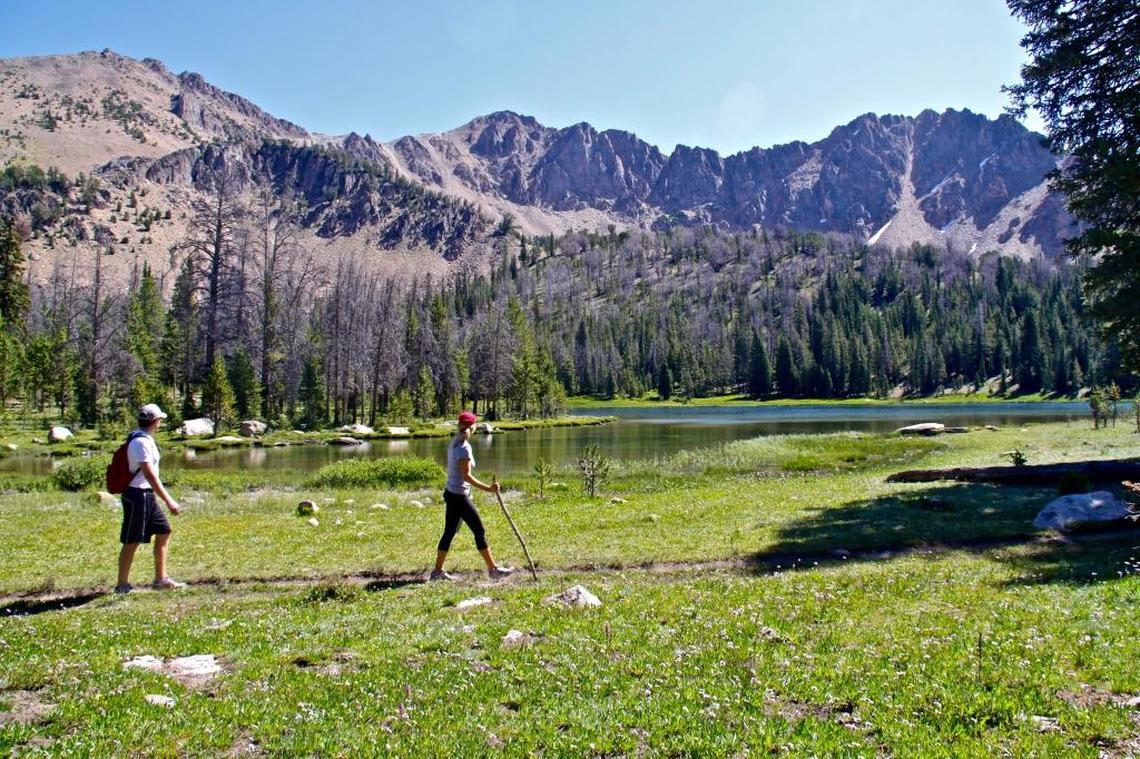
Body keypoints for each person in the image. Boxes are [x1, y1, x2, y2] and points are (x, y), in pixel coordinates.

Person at [431, 411, 515, 581]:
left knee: (449, 533)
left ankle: (437, 572)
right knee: (479, 530)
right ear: (473, 427)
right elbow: (467, 477)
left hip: (452, 493)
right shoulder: (464, 448)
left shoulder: (455, 441)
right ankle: (493, 570)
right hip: (459, 496)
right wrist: (489, 489)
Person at [115, 403, 186, 593]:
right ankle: (122, 585)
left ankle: (161, 579)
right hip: (137, 494)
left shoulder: (144, 439)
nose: (160, 423)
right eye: (160, 420)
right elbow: (149, 474)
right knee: (132, 540)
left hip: (146, 495)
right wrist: (169, 500)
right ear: (155, 422)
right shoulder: (140, 443)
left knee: (164, 530)